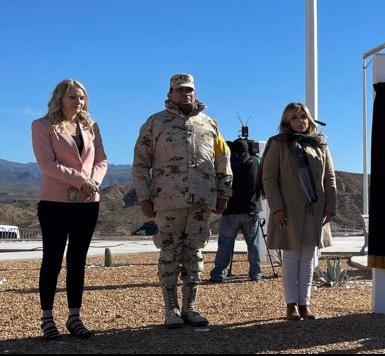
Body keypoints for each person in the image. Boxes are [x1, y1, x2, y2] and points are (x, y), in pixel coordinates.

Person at [132, 73, 232, 329]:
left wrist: (223, 194)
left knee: (195, 254)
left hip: (201, 202)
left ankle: (190, 307)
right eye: (179, 90)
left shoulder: (209, 123)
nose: (185, 94)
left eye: (189, 90)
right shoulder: (155, 123)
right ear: (170, 94)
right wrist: (144, 197)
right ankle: (171, 309)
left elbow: (223, 161)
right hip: (167, 201)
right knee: (169, 254)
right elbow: (141, 163)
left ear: (195, 92)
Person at [31, 79, 108, 341]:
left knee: (78, 261)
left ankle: (74, 317)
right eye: (72, 97)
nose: (78, 102)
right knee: (52, 261)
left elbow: (101, 160)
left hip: (87, 203)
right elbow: (47, 164)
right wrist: (80, 181)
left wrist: (94, 183)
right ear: (60, 99)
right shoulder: (42, 126)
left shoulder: (91, 126)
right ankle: (47, 318)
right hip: (54, 203)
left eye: (82, 98)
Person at [263, 102, 336, 321]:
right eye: (295, 118)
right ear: (287, 122)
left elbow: (329, 178)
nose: (300, 121)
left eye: (304, 117)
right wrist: (277, 207)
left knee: (308, 259)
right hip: (288, 209)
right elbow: (269, 178)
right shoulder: (278, 143)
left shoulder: (320, 144)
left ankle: (305, 304)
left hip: (315, 209)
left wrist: (330, 207)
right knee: (292, 257)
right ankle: (291, 305)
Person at [209, 138, 264, 282]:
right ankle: (255, 273)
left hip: (230, 210)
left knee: (225, 244)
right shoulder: (255, 163)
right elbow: (262, 183)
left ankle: (219, 273)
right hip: (250, 209)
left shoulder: (226, 164)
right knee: (253, 245)